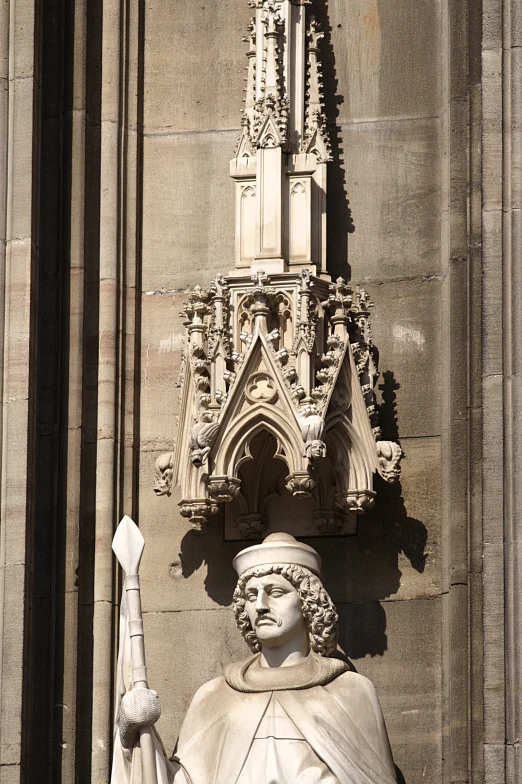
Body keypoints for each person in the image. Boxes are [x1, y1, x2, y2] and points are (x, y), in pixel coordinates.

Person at [111, 533, 398, 784]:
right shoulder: (214, 697)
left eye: (276, 592)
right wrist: (132, 731)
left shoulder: (350, 692)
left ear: (308, 602)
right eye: (250, 596)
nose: (260, 605)